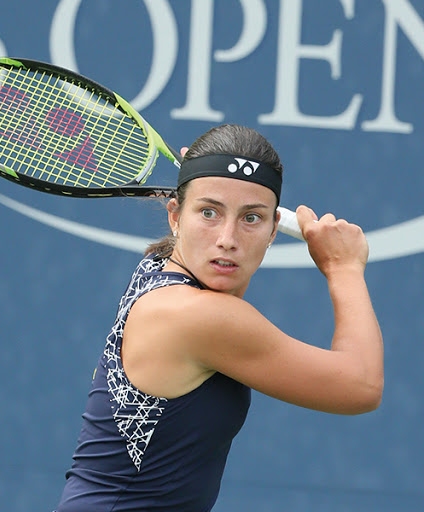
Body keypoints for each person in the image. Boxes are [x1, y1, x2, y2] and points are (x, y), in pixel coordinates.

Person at [54, 124, 384, 512]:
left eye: (251, 218)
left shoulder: (157, 268)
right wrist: (343, 267)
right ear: (175, 216)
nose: (227, 237)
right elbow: (360, 385)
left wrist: (205, 179)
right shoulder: (201, 316)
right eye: (208, 212)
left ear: (273, 229)